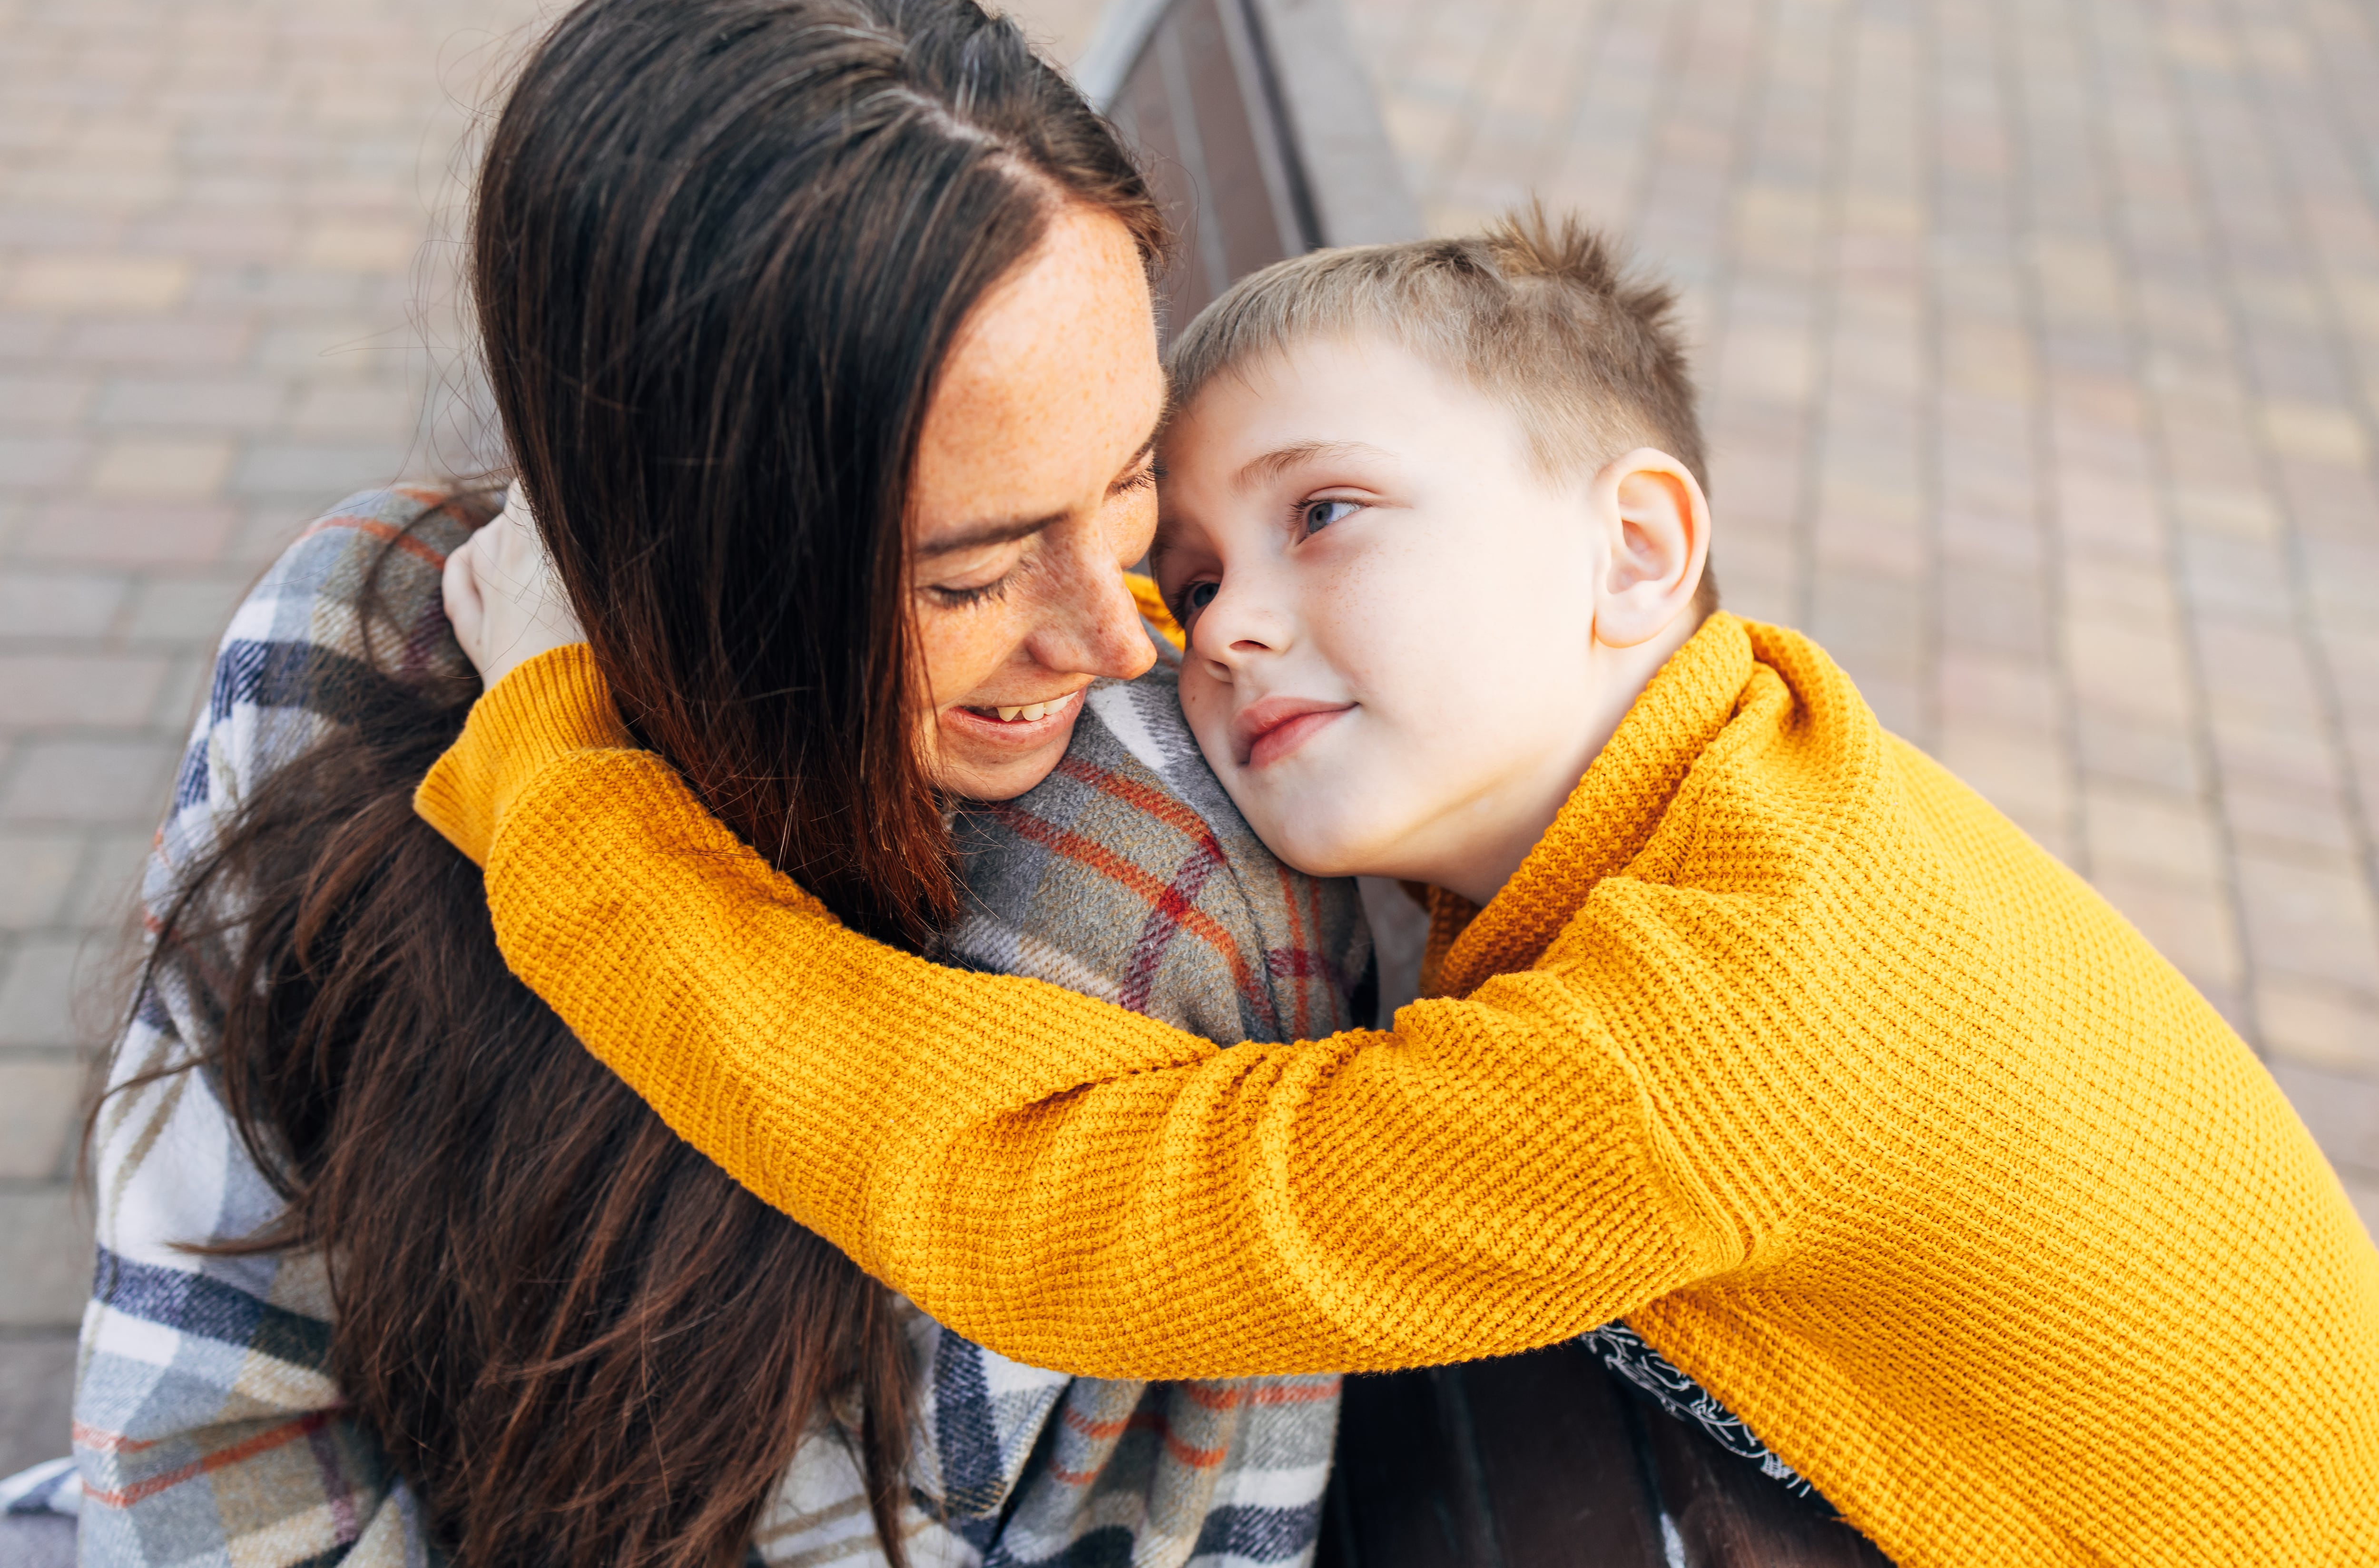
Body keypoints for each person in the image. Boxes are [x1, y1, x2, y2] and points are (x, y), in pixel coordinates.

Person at [425, 212, 2379, 1568]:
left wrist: (557, 777)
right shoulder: (1763, 791)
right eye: (1188, 573)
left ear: (1634, 552)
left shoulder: (1708, 1034)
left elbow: (1054, 1201)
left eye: (1327, 512)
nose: (1211, 635)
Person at [59, 0, 1360, 1566]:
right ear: (686, 547)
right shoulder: (376, 628)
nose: (1114, 639)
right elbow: (207, 1408)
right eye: (964, 580)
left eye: (1132, 474)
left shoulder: (1162, 886)